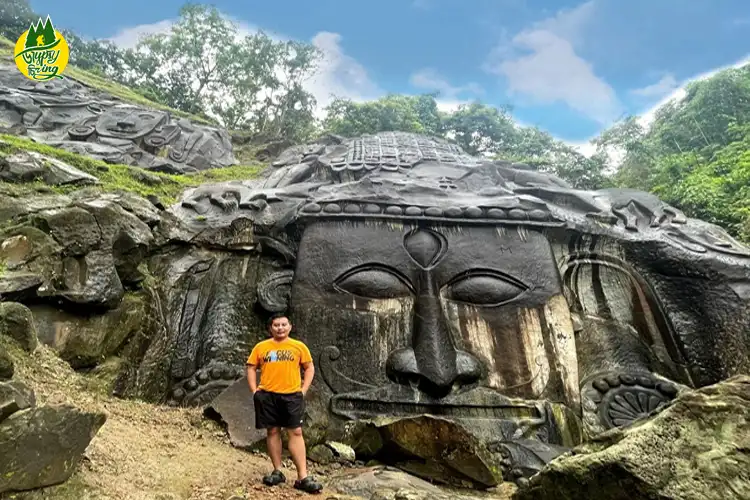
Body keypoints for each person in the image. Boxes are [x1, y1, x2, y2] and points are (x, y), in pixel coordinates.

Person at [246, 313, 323, 494]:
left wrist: (303, 389)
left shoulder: (298, 346)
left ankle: (302, 477)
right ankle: (277, 471)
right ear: (270, 328)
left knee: (295, 431)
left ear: (290, 326)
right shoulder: (261, 347)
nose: (280, 328)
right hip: (267, 394)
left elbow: (309, 367)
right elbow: (251, 367)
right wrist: (254, 390)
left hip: (291, 395)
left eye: (283, 324)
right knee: (272, 430)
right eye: (276, 325)